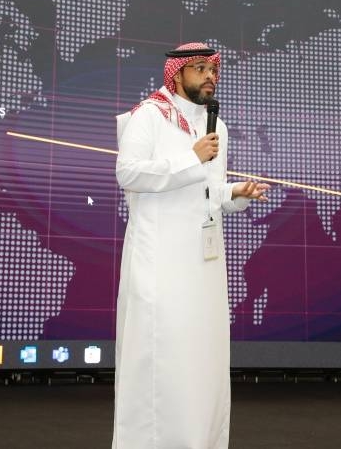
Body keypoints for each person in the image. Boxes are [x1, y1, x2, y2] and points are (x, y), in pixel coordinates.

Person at [112, 42, 269, 449]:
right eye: (200, 68)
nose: (210, 76)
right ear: (177, 73)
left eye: (213, 69)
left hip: (204, 265)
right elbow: (128, 174)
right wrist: (191, 158)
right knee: (163, 361)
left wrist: (236, 193)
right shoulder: (148, 115)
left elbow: (208, 194)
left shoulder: (218, 128)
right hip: (159, 262)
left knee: (203, 361)